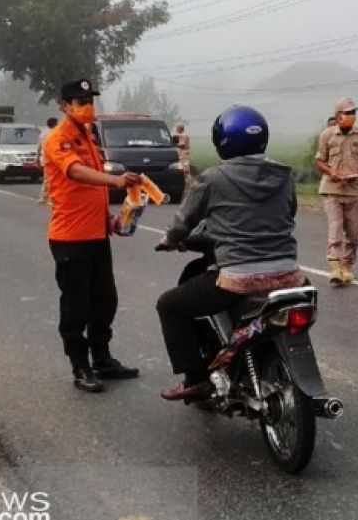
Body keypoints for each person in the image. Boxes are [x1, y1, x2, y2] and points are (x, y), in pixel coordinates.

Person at [155, 105, 304, 402]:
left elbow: (182, 224)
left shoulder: (212, 179)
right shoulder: (285, 176)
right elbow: (289, 213)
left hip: (240, 278)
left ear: (223, 141)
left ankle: (196, 379)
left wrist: (171, 240)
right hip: (290, 277)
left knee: (169, 305)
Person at [42, 79, 143, 393]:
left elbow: (91, 190)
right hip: (71, 238)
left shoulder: (88, 136)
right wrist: (115, 181)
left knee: (105, 301)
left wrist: (112, 219)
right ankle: (80, 366)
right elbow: (76, 173)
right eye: (80, 100)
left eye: (90, 99)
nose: (87, 105)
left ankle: (102, 359)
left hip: (97, 235)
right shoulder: (59, 139)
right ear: (64, 105)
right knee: (76, 306)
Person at [315, 98, 358, 285]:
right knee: (335, 227)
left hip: (354, 189)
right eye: (347, 113)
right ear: (338, 116)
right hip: (332, 189)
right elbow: (319, 160)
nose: (351, 116)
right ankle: (335, 266)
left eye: (353, 113)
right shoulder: (327, 135)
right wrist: (331, 172)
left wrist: (357, 173)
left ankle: (348, 264)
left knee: (353, 231)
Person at [37, 116, 58, 205]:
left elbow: (38, 147)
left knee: (47, 178)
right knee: (51, 178)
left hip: (44, 158)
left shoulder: (42, 134)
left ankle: (43, 197)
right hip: (52, 158)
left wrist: (37, 158)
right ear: (55, 124)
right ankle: (46, 197)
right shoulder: (55, 133)